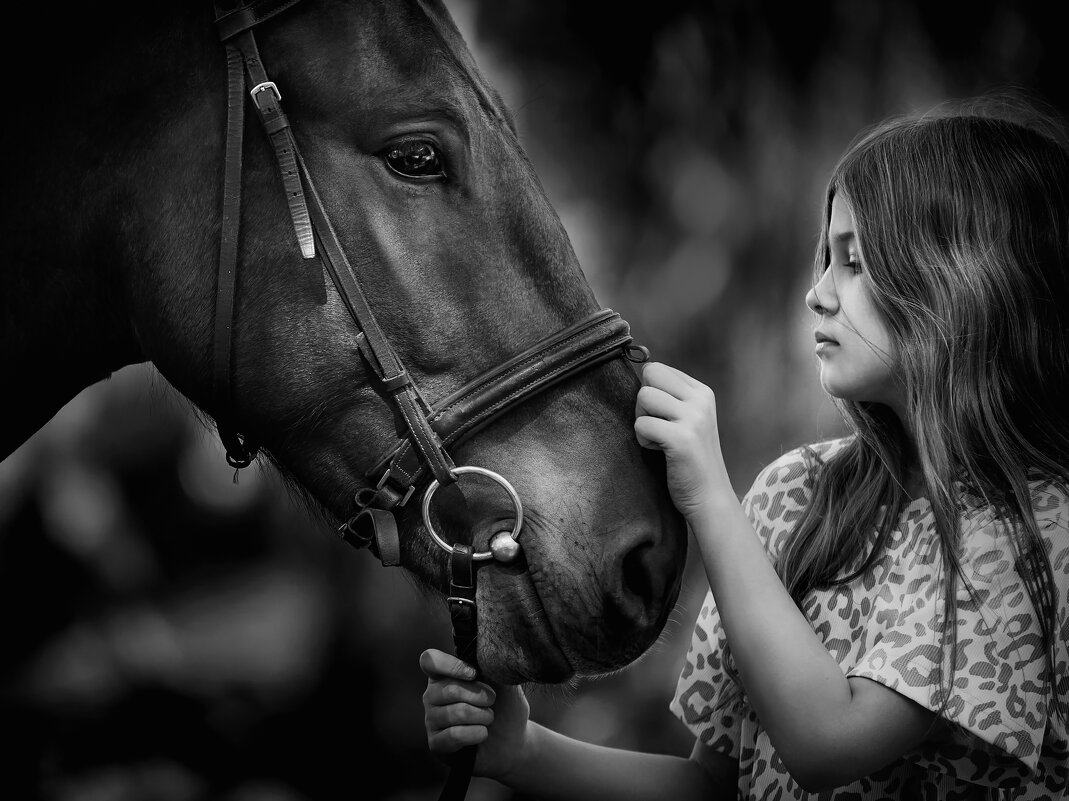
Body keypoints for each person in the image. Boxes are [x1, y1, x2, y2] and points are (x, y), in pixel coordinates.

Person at [419, 95, 1069, 800]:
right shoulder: (800, 491)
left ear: (965, 284)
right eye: (826, 257)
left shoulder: (1032, 536)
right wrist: (524, 753)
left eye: (855, 262)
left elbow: (824, 744)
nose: (817, 295)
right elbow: (713, 785)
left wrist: (708, 496)